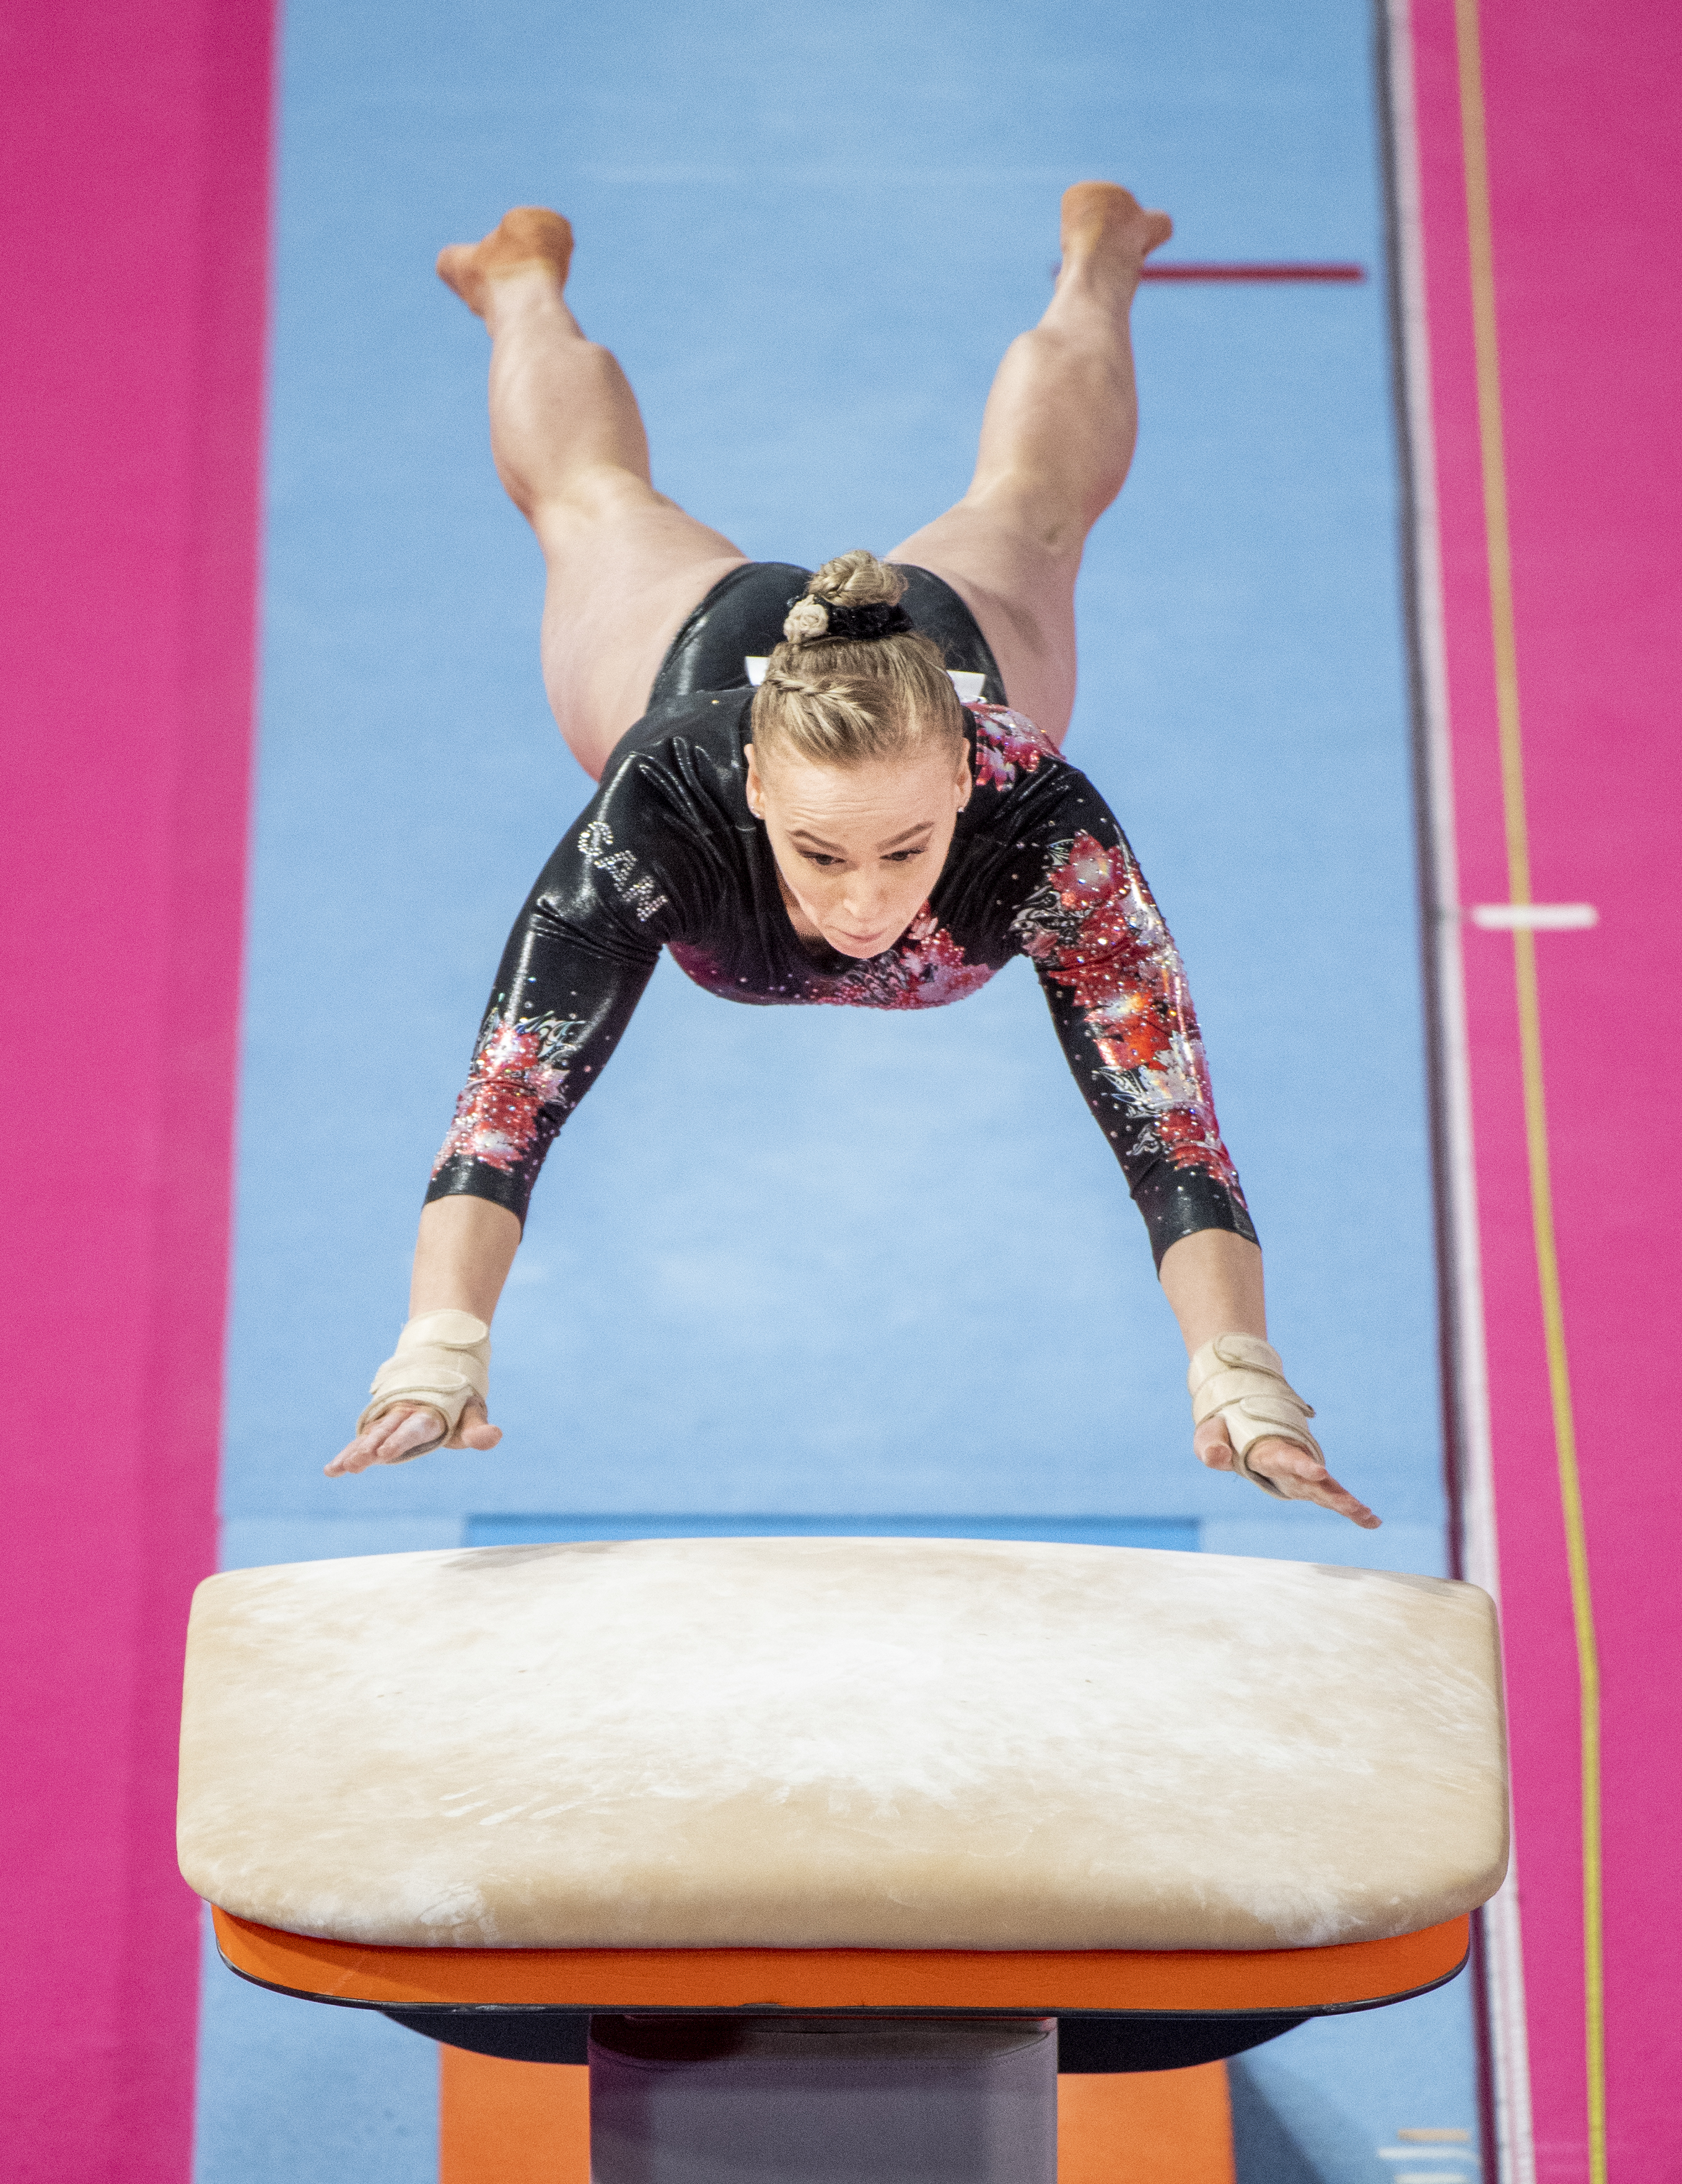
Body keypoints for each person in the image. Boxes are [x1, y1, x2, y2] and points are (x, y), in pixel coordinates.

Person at [326, 183, 1379, 1531]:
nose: (866, 899)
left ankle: (1101, 256)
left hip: (939, 639)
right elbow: (508, 1101)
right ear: (757, 786)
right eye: (820, 853)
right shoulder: (669, 801)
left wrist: (1239, 1376)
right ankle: (518, 280)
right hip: (696, 650)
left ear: (967, 776)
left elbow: (1171, 1128)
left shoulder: (1040, 826)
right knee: (588, 507)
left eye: (907, 847)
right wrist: (438, 1346)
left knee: (1038, 506)